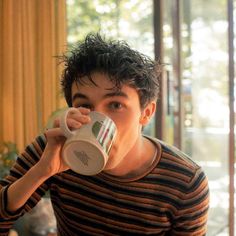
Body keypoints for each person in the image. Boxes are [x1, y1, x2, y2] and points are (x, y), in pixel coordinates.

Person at [0, 33, 209, 236]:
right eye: (84, 105)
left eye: (116, 105)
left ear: (146, 113)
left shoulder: (186, 181)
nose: (96, 120)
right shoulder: (55, 148)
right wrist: (41, 172)